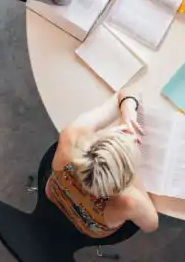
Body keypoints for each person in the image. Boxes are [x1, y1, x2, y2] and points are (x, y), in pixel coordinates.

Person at [46, 92, 159, 237]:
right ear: (125, 181)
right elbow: (151, 225)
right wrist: (133, 174)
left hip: (55, 193)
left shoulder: (70, 137)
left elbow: (126, 92)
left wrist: (128, 114)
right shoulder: (129, 201)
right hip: (88, 228)